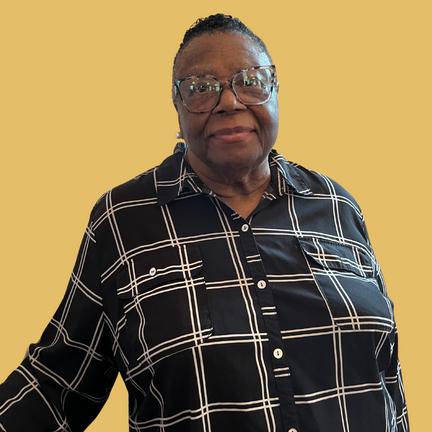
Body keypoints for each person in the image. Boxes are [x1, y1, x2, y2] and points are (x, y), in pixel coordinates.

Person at [0, 13, 409, 432]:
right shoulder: (123, 221)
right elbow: (57, 386)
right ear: (176, 105)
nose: (229, 102)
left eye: (250, 81)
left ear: (275, 90)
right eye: (201, 88)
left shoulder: (337, 206)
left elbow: (388, 377)